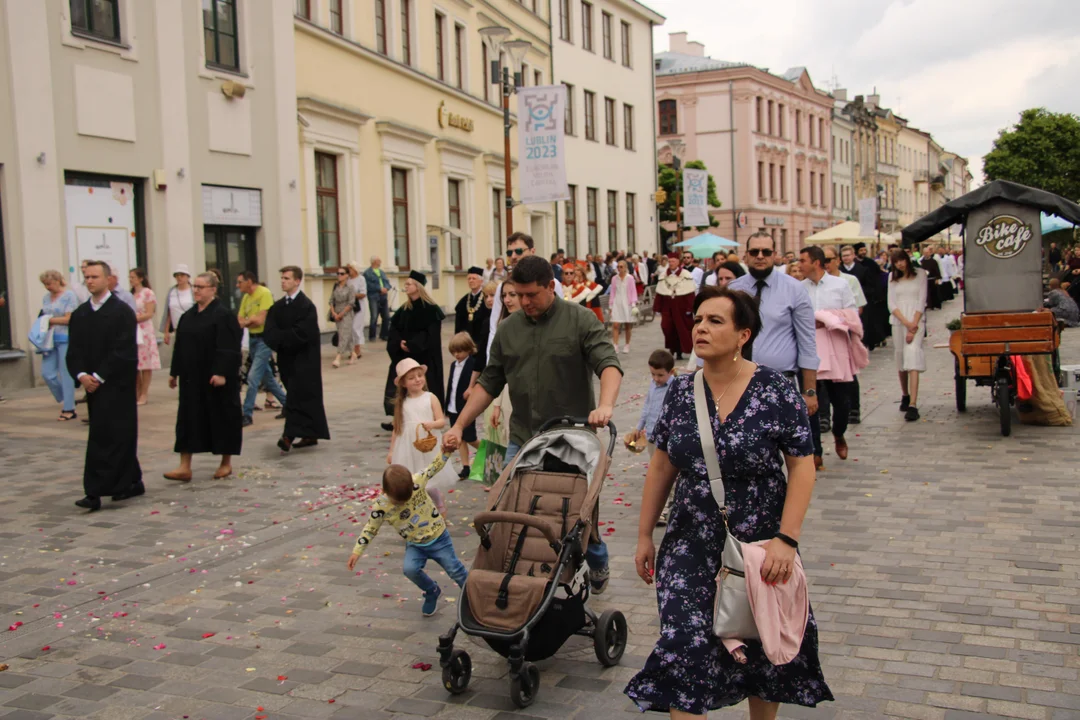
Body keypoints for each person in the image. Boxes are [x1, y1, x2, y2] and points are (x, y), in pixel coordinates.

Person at [625, 284, 832, 717]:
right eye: (698, 319)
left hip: (757, 544)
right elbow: (662, 465)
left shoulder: (775, 391)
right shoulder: (681, 392)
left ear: (743, 335)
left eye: (715, 320)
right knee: (683, 650)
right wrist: (645, 534)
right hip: (688, 542)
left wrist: (786, 540)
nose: (701, 327)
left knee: (761, 646)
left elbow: (802, 466)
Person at [443, 255, 621, 593]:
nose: (523, 303)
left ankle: (597, 558)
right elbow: (489, 382)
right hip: (523, 438)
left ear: (551, 287)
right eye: (518, 295)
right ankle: (524, 578)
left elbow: (608, 363)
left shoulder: (580, 320)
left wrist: (606, 405)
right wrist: (458, 425)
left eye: (531, 295)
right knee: (512, 511)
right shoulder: (509, 328)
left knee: (579, 519)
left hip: (573, 440)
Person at [729, 232, 822, 469]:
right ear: (746, 256)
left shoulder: (794, 290)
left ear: (776, 255)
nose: (760, 257)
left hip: (780, 383)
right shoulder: (734, 290)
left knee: (788, 452)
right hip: (737, 382)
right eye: (754, 252)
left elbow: (807, 342)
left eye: (766, 252)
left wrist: (809, 390)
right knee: (740, 449)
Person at [346, 452, 468, 617]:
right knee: (410, 569)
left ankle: (473, 597)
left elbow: (434, 467)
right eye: (398, 502)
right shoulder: (381, 506)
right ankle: (431, 590)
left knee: (454, 569)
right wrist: (357, 551)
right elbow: (370, 528)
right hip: (415, 544)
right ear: (385, 492)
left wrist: (446, 452)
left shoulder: (417, 481)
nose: (403, 503)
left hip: (439, 538)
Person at [66, 260, 144, 511]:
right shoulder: (80, 314)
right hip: (92, 386)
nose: (89, 281)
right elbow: (74, 351)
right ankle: (97, 490)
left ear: (108, 279)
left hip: (116, 384)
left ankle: (125, 482)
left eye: (94, 277)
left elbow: (124, 350)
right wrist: (81, 375)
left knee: (121, 433)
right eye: (86, 277)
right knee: (101, 435)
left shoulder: (121, 311)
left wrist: (99, 376)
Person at [165, 272, 242, 482]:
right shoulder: (188, 316)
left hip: (215, 378)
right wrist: (174, 372)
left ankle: (225, 462)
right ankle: (184, 466)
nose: (196, 290)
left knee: (221, 417)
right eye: (195, 287)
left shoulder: (223, 314)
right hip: (192, 377)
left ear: (213, 290)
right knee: (188, 419)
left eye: (201, 287)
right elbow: (180, 345)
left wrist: (222, 372)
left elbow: (230, 346)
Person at [800, 246, 861, 463]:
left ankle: (839, 433)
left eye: (803, 261)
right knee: (812, 401)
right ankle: (816, 450)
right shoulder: (799, 288)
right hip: (810, 349)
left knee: (841, 401)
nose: (799, 265)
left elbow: (852, 315)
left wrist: (826, 317)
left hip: (835, 347)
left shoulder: (840, 284)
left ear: (816, 262)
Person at [264, 266, 330, 453]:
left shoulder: (306, 306)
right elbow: (269, 331)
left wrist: (282, 337)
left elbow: (303, 333)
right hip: (286, 360)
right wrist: (280, 341)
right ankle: (310, 433)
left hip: (305, 361)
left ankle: (288, 435)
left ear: (297, 281)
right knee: (297, 395)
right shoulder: (277, 307)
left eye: (286, 278)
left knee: (298, 397)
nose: (283, 281)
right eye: (282, 278)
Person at [388, 358, 460, 517]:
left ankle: (438, 502)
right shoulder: (402, 403)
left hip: (428, 446)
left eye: (420, 375)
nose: (417, 380)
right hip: (408, 446)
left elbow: (441, 421)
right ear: (403, 383)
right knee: (412, 480)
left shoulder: (430, 397)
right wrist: (392, 450)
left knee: (428, 479)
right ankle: (419, 510)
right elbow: (397, 428)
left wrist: (432, 425)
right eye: (411, 378)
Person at [383, 270, 446, 433]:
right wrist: (399, 343)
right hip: (404, 357)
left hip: (424, 358)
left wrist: (413, 344)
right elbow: (394, 330)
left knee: (424, 387)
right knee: (402, 388)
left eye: (409, 283)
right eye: (406, 283)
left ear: (418, 287)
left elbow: (430, 337)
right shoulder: (403, 310)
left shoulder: (431, 310)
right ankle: (398, 419)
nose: (406, 286)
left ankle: (428, 418)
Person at [485, 232, 563, 360]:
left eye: (519, 251)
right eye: (510, 253)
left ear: (532, 251)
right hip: (514, 351)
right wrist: (490, 362)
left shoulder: (552, 284)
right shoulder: (502, 287)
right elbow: (494, 327)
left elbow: (560, 321)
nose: (514, 256)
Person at [823, 246, 867, 428]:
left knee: (848, 373)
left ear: (837, 260)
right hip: (822, 335)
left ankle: (853, 408)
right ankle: (825, 415)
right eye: (822, 260)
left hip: (842, 331)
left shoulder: (848, 280)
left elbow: (857, 307)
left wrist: (838, 318)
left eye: (829, 260)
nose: (825, 264)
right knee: (824, 375)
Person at [237, 271, 288, 428]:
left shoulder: (264, 293)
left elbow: (260, 320)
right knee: (267, 377)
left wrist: (250, 320)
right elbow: (239, 320)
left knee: (253, 377)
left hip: (265, 340)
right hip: (252, 340)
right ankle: (290, 405)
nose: (237, 285)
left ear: (250, 281)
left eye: (240, 282)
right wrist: (249, 320)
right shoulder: (246, 297)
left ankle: (247, 414)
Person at [633, 349, 675, 524]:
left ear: (670, 372)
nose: (656, 379)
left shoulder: (675, 387)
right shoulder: (653, 385)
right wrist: (639, 427)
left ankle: (668, 506)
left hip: (667, 438)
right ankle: (662, 506)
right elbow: (647, 406)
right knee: (656, 472)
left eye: (660, 375)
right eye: (653, 374)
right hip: (651, 435)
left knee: (668, 473)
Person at [887, 250, 928, 422]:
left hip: (916, 319)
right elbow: (891, 303)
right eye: (896, 262)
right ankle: (905, 393)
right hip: (899, 320)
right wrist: (905, 322)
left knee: (912, 354)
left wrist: (914, 324)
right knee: (901, 356)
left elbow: (922, 299)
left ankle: (913, 403)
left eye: (902, 260)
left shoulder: (920, 274)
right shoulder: (892, 278)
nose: (900, 264)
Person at [38, 270, 80, 421]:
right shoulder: (46, 298)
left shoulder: (69, 296)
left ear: (57, 281)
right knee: (47, 373)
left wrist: (49, 321)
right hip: (49, 339)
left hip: (66, 338)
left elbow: (70, 319)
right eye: (45, 284)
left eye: (49, 284)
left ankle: (69, 408)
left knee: (65, 373)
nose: (47, 287)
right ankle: (66, 397)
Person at [445, 332, 480, 478]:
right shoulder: (454, 365)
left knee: (470, 437)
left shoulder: (473, 364)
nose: (457, 355)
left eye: (460, 351)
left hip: (465, 407)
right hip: (453, 406)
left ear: (468, 349)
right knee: (460, 439)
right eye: (454, 352)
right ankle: (465, 466)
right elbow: (451, 385)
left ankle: (486, 449)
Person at [654, 253, 696, 360]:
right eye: (670, 261)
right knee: (667, 327)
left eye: (673, 261)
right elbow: (659, 293)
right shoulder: (663, 275)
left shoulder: (686, 274)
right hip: (667, 307)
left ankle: (680, 351)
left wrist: (690, 308)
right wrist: (657, 308)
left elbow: (690, 293)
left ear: (678, 262)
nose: (671, 263)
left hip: (681, 306)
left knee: (681, 329)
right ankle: (672, 348)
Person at [847, 243, 889, 350]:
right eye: (861, 250)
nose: (863, 252)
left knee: (869, 321)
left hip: (868, 297)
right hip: (851, 300)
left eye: (864, 250)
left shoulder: (870, 263)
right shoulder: (848, 267)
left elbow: (876, 279)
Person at [128, 268, 160, 406]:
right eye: (130, 277)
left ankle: (144, 393)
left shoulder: (148, 293)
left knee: (145, 364)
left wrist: (135, 318)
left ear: (141, 278)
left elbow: (149, 313)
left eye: (133, 277)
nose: (131, 280)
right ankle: (137, 390)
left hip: (144, 329)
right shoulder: (130, 294)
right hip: (133, 330)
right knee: (135, 363)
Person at [453, 266, 490, 372]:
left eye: (474, 278)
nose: (471, 281)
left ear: (481, 281)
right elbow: (458, 323)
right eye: (469, 279)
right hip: (466, 344)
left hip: (481, 343)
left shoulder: (487, 299)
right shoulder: (464, 301)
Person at [329, 267, 357, 369]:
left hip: (347, 313)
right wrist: (334, 313)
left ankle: (338, 357)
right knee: (345, 334)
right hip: (336, 313)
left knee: (343, 335)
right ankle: (353, 353)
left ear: (347, 275)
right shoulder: (336, 286)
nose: (339, 275)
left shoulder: (350, 287)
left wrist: (341, 314)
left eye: (342, 273)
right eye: (338, 273)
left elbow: (351, 303)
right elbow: (331, 300)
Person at [608, 260, 638, 354]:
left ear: (625, 267)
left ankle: (627, 344)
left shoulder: (630, 278)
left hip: (627, 302)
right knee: (616, 324)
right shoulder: (614, 278)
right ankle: (615, 344)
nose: (619, 269)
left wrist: (633, 304)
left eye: (621, 267)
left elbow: (633, 290)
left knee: (627, 325)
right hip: (617, 302)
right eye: (618, 267)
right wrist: (611, 305)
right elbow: (612, 292)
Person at [161, 265, 195, 346]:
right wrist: (166, 332)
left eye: (182, 275)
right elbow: (169, 312)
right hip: (178, 328)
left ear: (188, 277)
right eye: (177, 275)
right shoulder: (172, 291)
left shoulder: (193, 290)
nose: (179, 277)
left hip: (193, 327)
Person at [364, 255, 392, 341]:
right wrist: (379, 289)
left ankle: (384, 335)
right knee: (374, 316)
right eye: (379, 260)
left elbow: (387, 282)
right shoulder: (367, 273)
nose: (380, 262)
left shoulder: (382, 272)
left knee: (386, 316)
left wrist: (386, 288)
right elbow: (368, 286)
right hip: (373, 296)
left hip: (383, 296)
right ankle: (372, 336)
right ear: (374, 262)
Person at [346, 261, 368, 360]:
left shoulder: (361, 279)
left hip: (359, 306)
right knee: (350, 328)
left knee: (356, 327)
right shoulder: (347, 280)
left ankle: (357, 349)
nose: (348, 270)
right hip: (349, 306)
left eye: (350, 268)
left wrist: (351, 294)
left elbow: (363, 293)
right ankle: (352, 350)